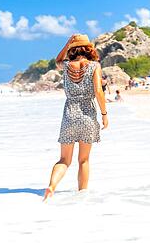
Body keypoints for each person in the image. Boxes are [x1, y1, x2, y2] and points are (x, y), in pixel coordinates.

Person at [43, 34, 108, 202]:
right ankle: (82, 196)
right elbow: (99, 91)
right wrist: (104, 114)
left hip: (69, 115)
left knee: (64, 160)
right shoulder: (94, 66)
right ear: (89, 49)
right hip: (87, 115)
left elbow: (57, 60)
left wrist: (67, 43)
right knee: (84, 160)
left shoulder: (65, 66)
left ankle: (52, 186)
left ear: (73, 49)